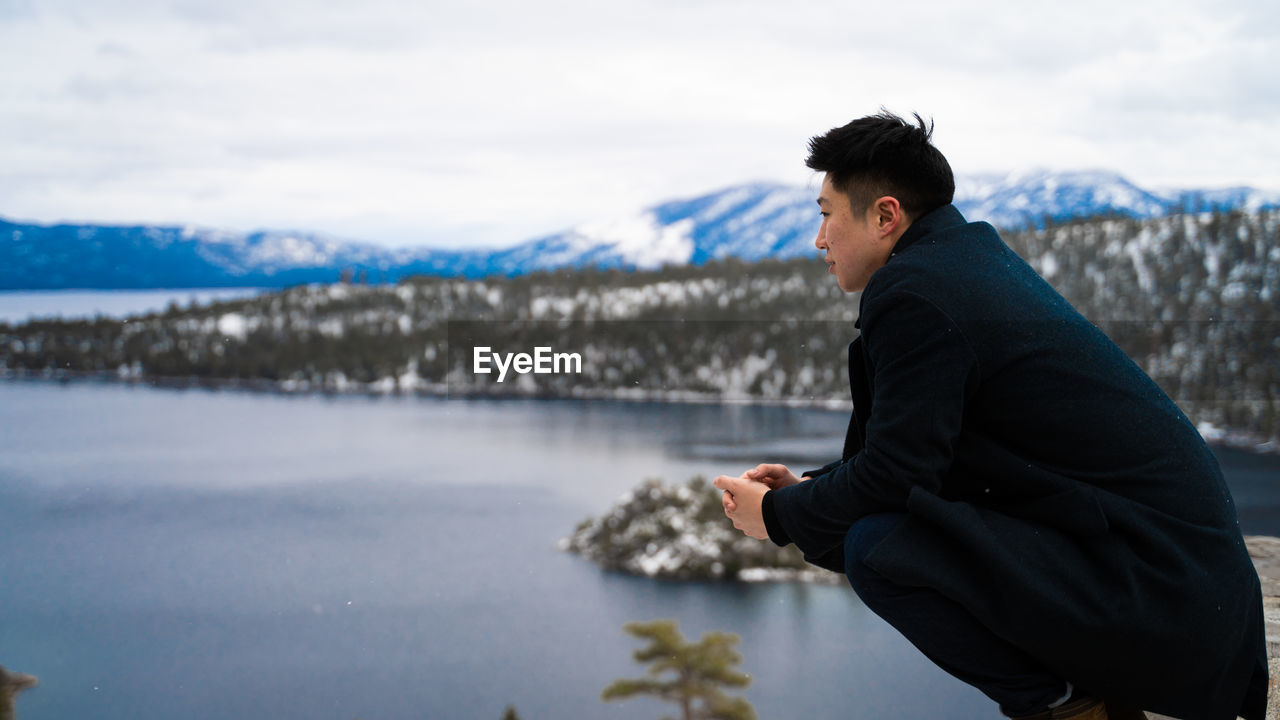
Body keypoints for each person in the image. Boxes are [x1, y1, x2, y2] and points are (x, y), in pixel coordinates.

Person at [713, 112, 1268, 720]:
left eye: (826, 213)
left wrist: (778, 515)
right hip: (1189, 590)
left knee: (879, 548)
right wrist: (813, 491)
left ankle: (1071, 709)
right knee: (883, 529)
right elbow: (924, 459)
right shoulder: (962, 262)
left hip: (1164, 596)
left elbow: (898, 479)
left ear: (885, 215)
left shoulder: (916, 293)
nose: (819, 239)